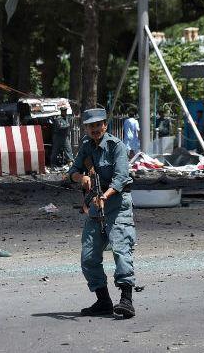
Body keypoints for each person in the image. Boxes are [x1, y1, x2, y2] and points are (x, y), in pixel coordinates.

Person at [68, 107, 136, 319]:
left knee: (121, 249)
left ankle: (126, 299)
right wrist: (82, 178)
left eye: (99, 125)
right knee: (88, 255)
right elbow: (72, 173)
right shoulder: (86, 147)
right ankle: (103, 300)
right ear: (86, 129)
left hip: (117, 203)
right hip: (96, 205)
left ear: (105, 125)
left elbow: (121, 178)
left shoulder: (117, 146)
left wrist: (105, 195)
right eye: (91, 126)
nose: (95, 129)